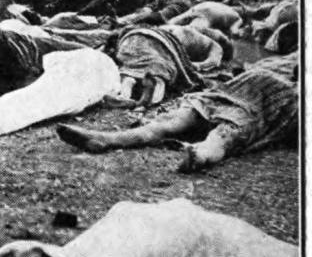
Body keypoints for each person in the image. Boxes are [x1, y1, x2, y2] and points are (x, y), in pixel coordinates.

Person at [56, 52, 297, 172]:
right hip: (234, 90)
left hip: (267, 101)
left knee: (227, 132)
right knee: (173, 121)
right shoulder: (284, 58)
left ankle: (201, 154)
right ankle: (105, 139)